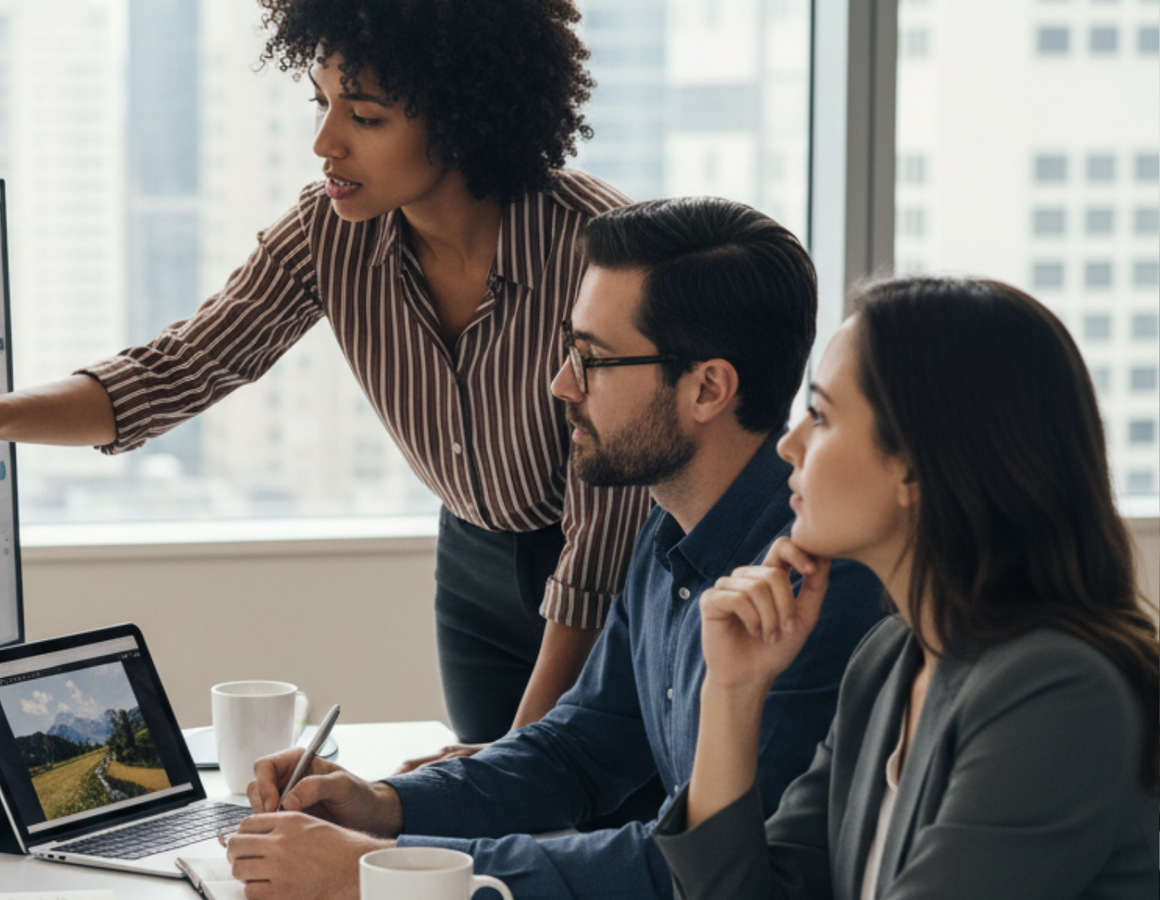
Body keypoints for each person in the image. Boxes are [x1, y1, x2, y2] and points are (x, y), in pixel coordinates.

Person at [0, 0, 652, 746]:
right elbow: (178, 368)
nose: (326, 141)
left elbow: (600, 545)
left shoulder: (596, 252)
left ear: (468, 118)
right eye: (322, 102)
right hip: (473, 561)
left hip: (608, 569)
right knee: (492, 848)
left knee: (579, 824)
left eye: (363, 115)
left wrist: (507, 766)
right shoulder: (330, 234)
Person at [222, 197, 890, 900]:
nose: (561, 384)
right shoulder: (668, 528)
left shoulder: (814, 586)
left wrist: (380, 871)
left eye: (592, 359)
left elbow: (693, 869)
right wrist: (385, 805)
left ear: (708, 388)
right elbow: (581, 747)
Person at [653, 276, 1160, 898]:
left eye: (820, 414)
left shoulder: (1056, 690)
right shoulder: (888, 660)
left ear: (916, 466)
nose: (789, 445)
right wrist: (731, 689)